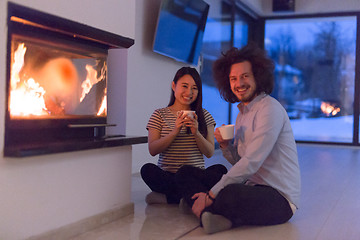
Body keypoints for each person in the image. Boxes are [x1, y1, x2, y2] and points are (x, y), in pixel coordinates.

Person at [175, 43, 301, 234]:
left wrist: (211, 194)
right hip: (251, 185)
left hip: (279, 199)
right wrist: (226, 146)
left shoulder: (270, 109)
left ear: (257, 76)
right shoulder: (242, 113)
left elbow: (250, 163)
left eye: (245, 76)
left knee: (228, 193)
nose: (239, 83)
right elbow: (240, 162)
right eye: (233, 78)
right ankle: (212, 214)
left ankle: (201, 206)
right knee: (186, 172)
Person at [141, 67, 227, 205]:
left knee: (221, 170)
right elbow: (153, 150)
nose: (189, 92)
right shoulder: (159, 114)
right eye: (185, 86)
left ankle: (171, 198)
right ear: (174, 86)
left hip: (194, 175)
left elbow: (210, 152)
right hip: (169, 176)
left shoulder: (205, 116)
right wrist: (175, 131)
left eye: (194, 88)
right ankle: (194, 196)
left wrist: (196, 133)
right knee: (147, 170)